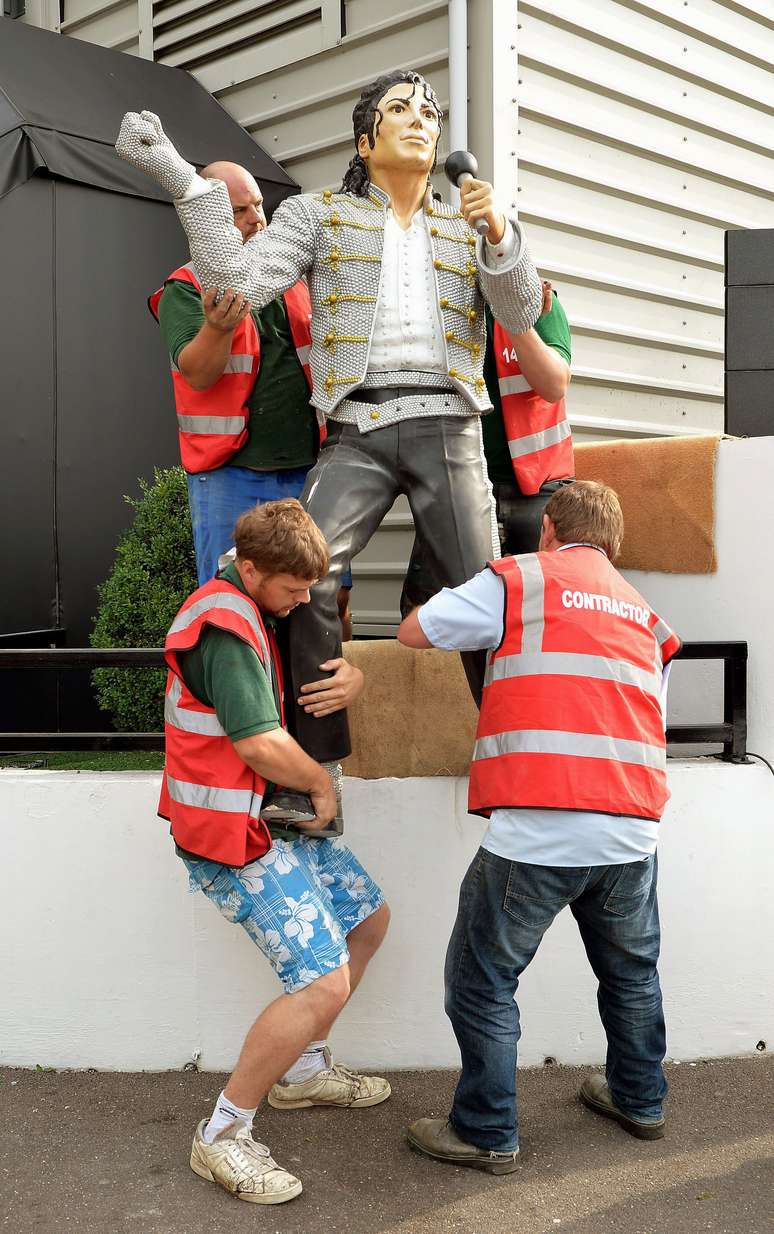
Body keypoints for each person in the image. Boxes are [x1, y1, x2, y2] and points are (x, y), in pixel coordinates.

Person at [115, 68, 545, 824]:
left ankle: (518, 761)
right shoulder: (318, 216)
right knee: (303, 574)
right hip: (358, 428)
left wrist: (502, 237)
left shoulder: (464, 223)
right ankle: (313, 770)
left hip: (449, 425)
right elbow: (237, 279)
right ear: (363, 137)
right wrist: (184, 180)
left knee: (486, 593)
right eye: (399, 109)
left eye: (430, 111)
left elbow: (521, 312)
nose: (420, 119)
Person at [396, 481, 681, 1173]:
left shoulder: (519, 579)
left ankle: (487, 1131)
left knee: (481, 981)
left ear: (549, 529)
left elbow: (415, 630)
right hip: (629, 833)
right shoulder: (646, 615)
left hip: (538, 830)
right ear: (614, 543)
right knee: (633, 975)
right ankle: (640, 1101)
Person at [159, 498, 390, 1205]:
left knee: (367, 920)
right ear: (251, 568)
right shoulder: (223, 625)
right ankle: (223, 1134)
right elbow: (258, 741)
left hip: (272, 820)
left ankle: (303, 1070)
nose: (302, 602)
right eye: (293, 589)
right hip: (235, 835)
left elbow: (305, 685)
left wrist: (352, 672)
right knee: (323, 981)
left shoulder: (261, 605)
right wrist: (320, 783)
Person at [148, 159, 352, 633]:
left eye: (259, 205)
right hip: (231, 476)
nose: (258, 219)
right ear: (211, 217)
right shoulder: (187, 287)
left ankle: (313, 705)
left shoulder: (292, 277)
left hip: (309, 471)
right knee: (230, 606)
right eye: (241, 210)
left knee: (325, 599)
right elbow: (198, 373)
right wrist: (218, 327)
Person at [401, 277, 574, 614]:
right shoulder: (437, 312)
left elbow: (554, 384)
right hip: (459, 482)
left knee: (539, 606)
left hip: (535, 485)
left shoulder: (535, 302)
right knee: (421, 602)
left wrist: (517, 317)